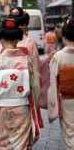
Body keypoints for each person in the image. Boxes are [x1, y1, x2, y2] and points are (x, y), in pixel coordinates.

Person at [0, 18, 40, 149]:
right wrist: (33, 103)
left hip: (3, 107)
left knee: (4, 141)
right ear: (18, 39)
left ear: (0, 40)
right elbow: (35, 86)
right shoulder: (26, 61)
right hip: (22, 107)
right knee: (21, 142)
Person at [48, 18, 74, 149]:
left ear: (63, 36)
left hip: (66, 99)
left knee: (69, 132)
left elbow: (53, 81)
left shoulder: (58, 57)